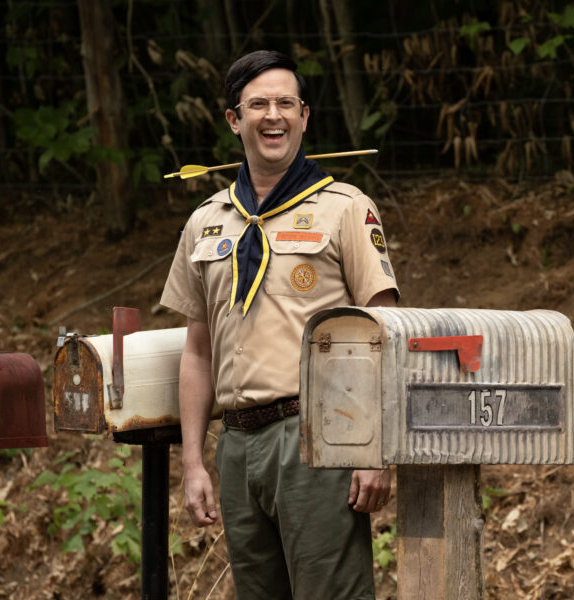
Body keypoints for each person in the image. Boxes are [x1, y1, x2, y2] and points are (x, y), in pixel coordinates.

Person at [160, 49, 398, 599]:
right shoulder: (206, 222)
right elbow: (198, 351)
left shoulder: (344, 208)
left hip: (316, 437)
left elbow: (384, 332)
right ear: (234, 119)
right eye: (259, 104)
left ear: (305, 116)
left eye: (286, 103)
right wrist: (193, 462)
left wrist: (375, 451)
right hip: (238, 445)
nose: (274, 115)